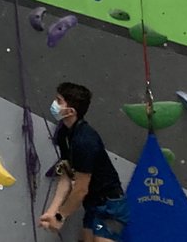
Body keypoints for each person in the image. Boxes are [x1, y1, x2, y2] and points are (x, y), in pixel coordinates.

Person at [39, 82, 129, 241]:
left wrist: (60, 217)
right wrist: (52, 212)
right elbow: (66, 175)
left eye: (59, 101)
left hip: (109, 205)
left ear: (70, 111)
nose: (54, 104)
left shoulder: (85, 140)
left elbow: (80, 189)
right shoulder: (64, 135)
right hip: (92, 204)